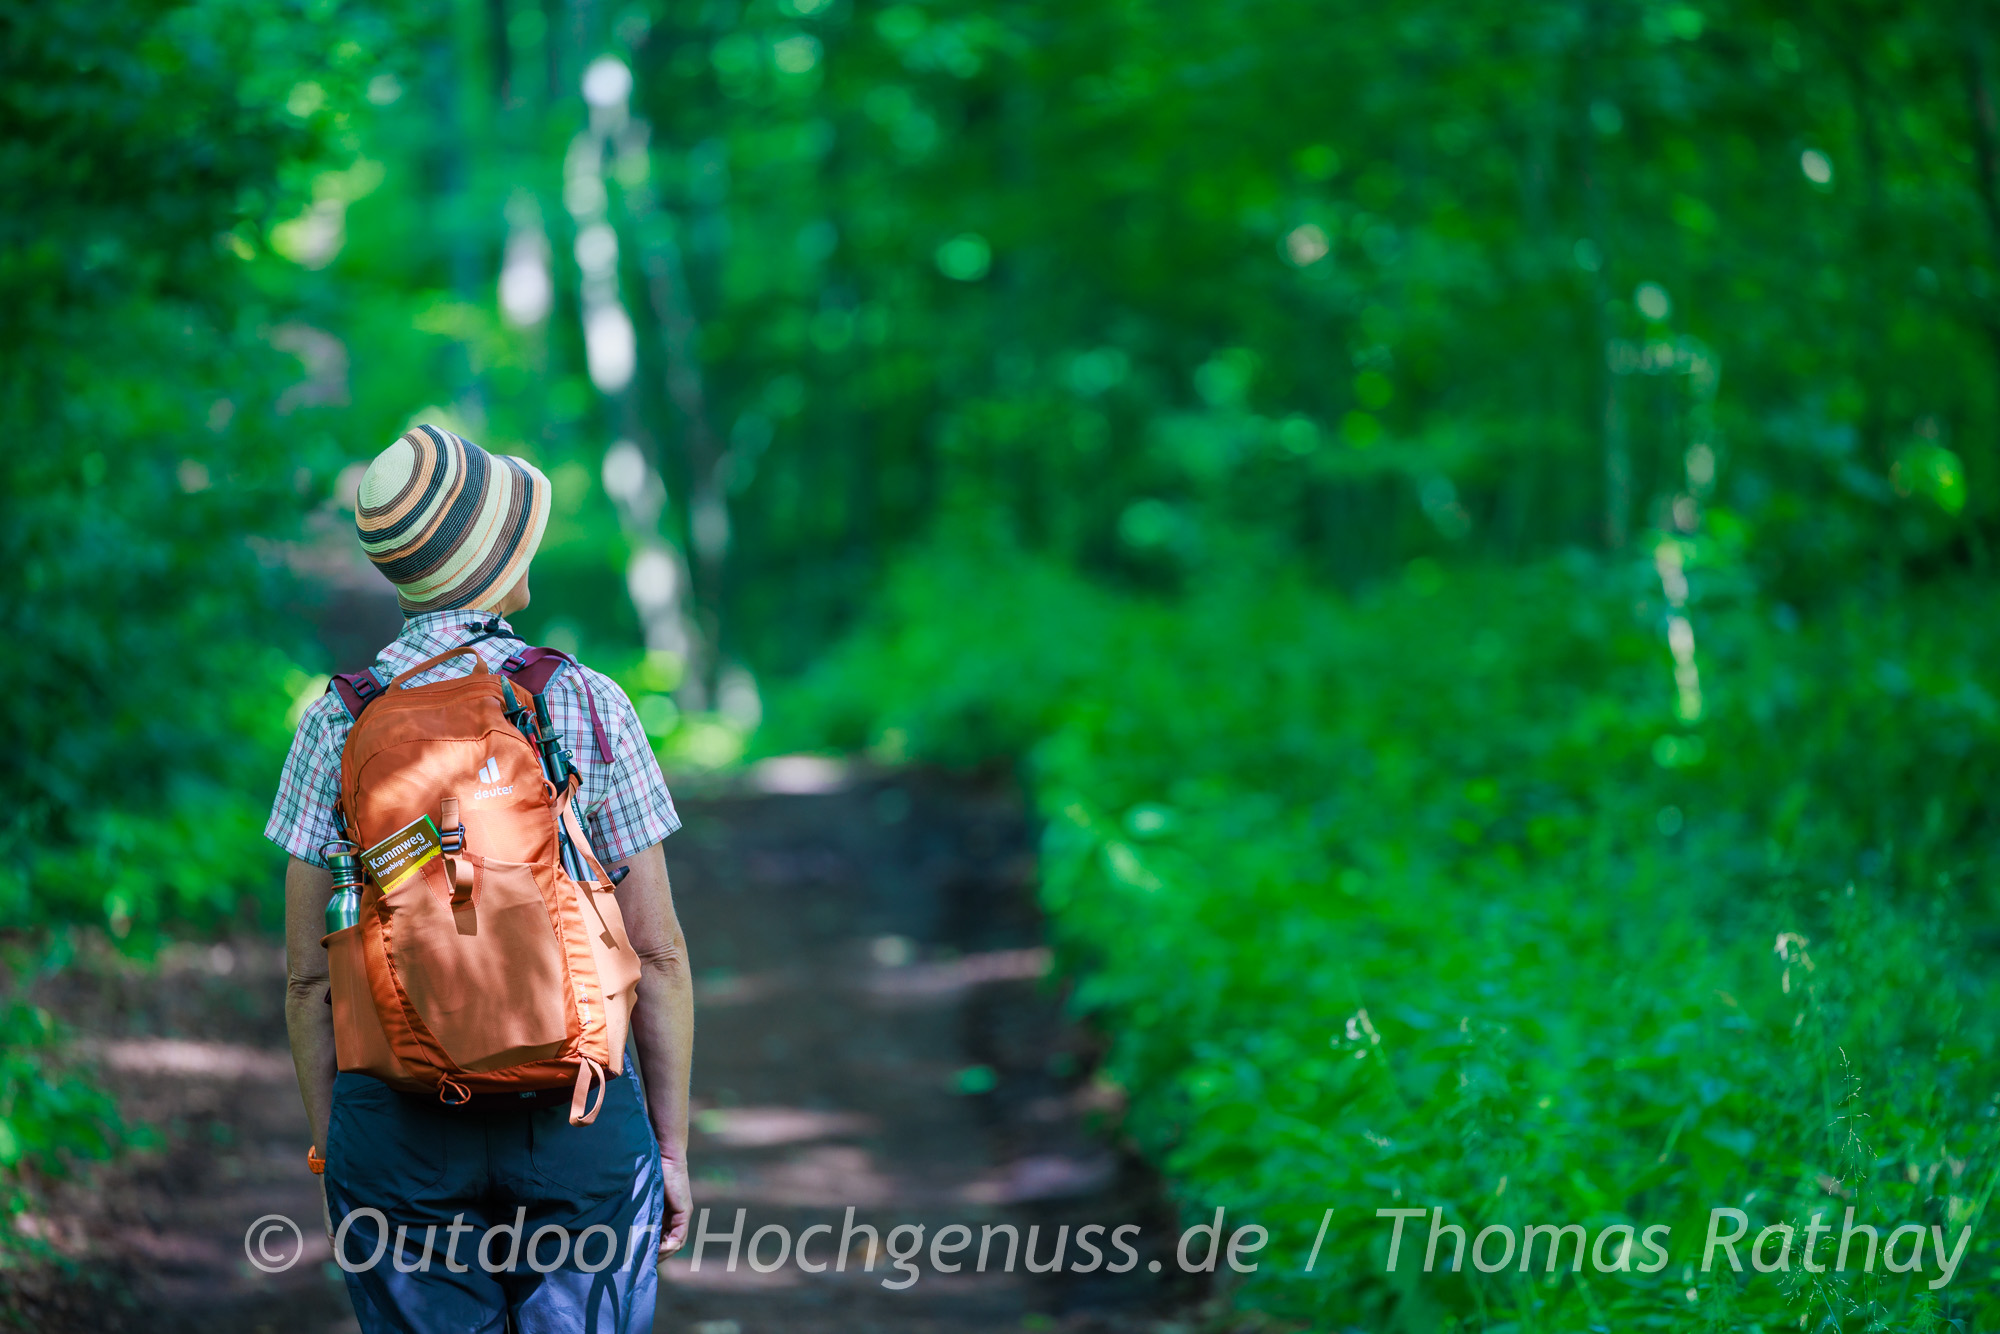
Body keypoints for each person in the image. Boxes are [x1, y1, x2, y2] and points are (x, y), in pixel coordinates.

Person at [267, 425, 694, 1333]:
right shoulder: (582, 699)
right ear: (497, 558)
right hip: (580, 1116)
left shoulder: (336, 721)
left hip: (398, 1129)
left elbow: (308, 979)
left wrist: (334, 1148)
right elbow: (657, 953)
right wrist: (671, 1150)